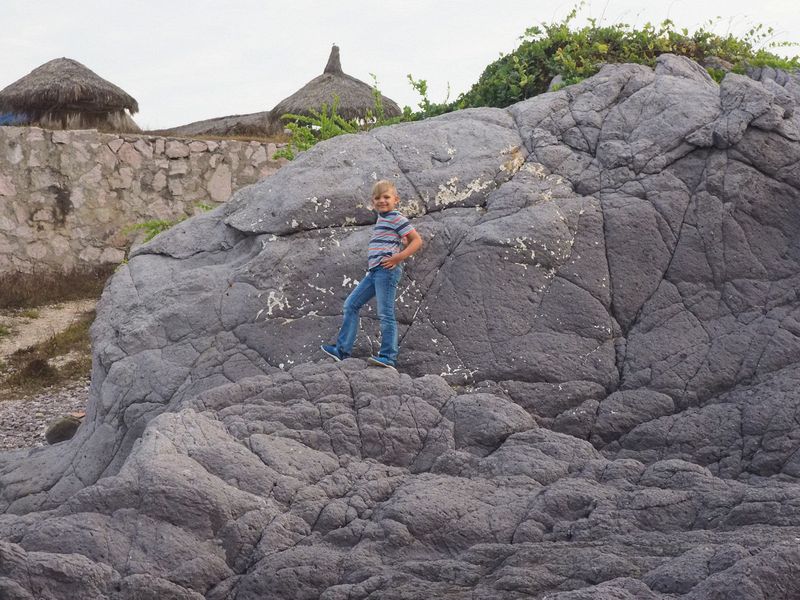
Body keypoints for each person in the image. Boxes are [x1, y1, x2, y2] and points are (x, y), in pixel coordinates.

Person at [321, 179, 423, 370]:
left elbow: (416, 241)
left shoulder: (396, 217)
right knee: (351, 304)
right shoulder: (382, 218)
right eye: (377, 198)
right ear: (372, 201)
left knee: (385, 313)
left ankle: (388, 357)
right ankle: (342, 350)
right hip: (374, 271)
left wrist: (397, 258)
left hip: (387, 271)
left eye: (386, 197)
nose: (382, 201)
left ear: (396, 199)